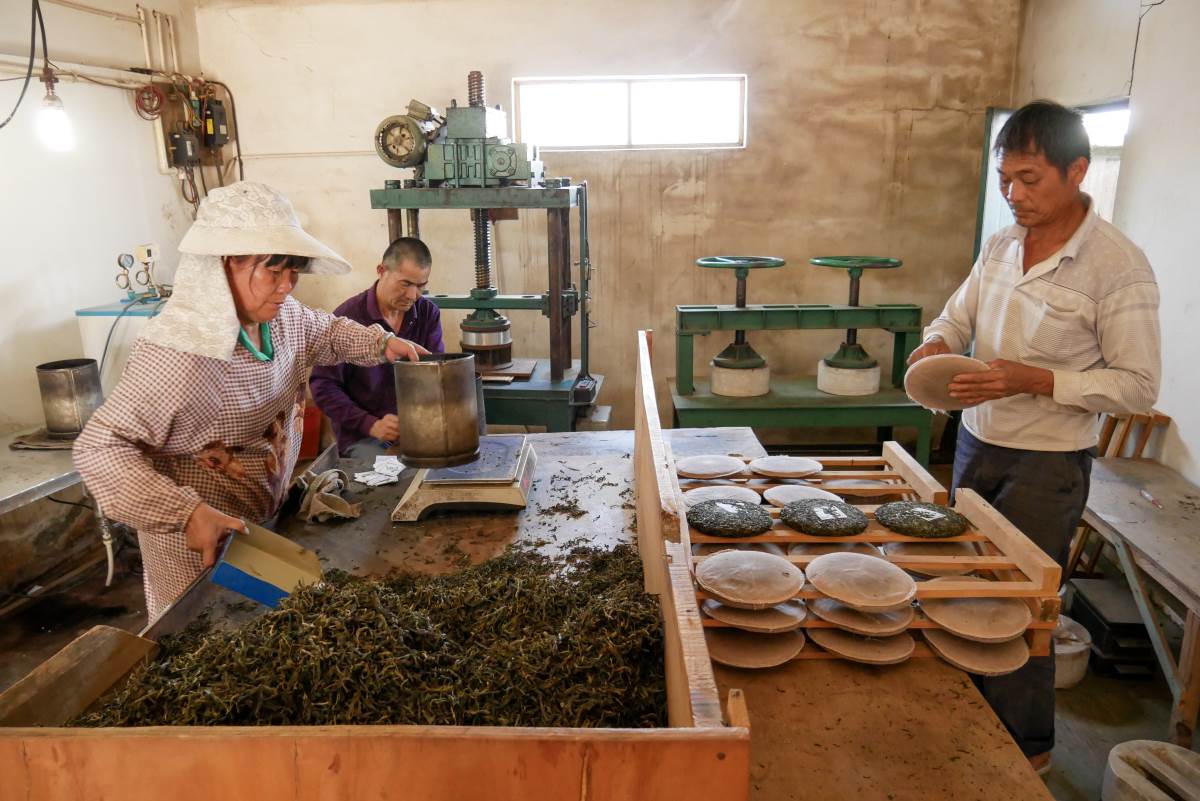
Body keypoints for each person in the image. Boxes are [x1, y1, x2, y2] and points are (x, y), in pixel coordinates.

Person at [907, 100, 1161, 773]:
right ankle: (967, 722)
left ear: (1077, 171)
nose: (1014, 195)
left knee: (1022, 606)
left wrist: (1037, 379)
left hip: (1046, 465)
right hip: (976, 444)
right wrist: (935, 343)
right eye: (1005, 181)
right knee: (963, 585)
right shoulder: (1001, 245)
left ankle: (1025, 753)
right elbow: (956, 316)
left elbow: (1139, 385)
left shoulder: (1117, 268)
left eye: (1030, 179)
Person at [74, 182, 429, 620]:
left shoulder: (281, 318)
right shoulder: (179, 354)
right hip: (198, 553)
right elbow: (99, 449)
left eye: (293, 272)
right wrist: (186, 514)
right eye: (272, 272)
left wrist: (381, 343)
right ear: (223, 267)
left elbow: (326, 331)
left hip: (260, 528)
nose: (286, 286)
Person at [309, 237, 444, 457]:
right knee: (386, 482)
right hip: (364, 437)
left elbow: (435, 374)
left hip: (416, 431)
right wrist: (370, 424)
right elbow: (323, 387)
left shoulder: (427, 313)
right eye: (406, 283)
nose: (413, 295)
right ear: (381, 270)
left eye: (421, 286)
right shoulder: (348, 317)